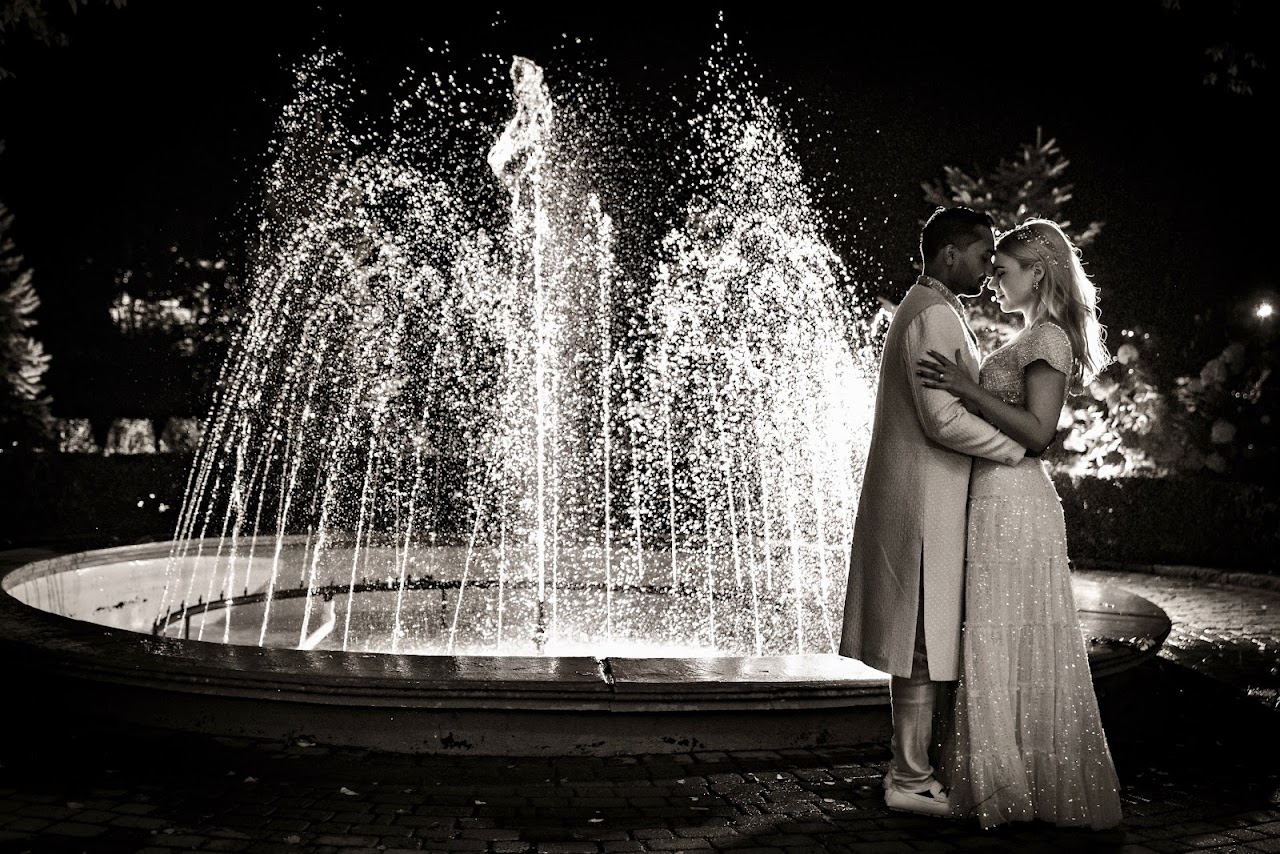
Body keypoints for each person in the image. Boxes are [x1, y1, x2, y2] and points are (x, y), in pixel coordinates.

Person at [917, 218, 1123, 829]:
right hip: (996, 498)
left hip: (1016, 501)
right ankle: (1007, 777)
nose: (993, 282)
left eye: (1003, 272)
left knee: (1006, 631)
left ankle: (1015, 783)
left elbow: (1037, 434)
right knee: (997, 631)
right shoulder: (1033, 333)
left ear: (1038, 273)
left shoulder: (1050, 340)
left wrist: (964, 387)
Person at [839, 206, 1027, 817]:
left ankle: (914, 771)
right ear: (950, 254)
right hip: (925, 506)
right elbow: (942, 419)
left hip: (925, 502)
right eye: (981, 254)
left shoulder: (924, 308)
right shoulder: (935, 316)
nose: (988, 265)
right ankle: (910, 779)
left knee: (922, 640)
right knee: (920, 644)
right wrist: (1016, 449)